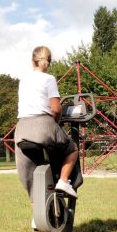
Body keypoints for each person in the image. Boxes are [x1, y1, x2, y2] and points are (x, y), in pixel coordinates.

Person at [14, 46, 79, 207]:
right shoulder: (49, 79)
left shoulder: (24, 81)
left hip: (21, 129)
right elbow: (56, 109)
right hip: (43, 125)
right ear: (49, 62)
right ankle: (63, 181)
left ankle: (37, 215)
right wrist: (55, 123)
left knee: (29, 171)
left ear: (32, 61)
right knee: (72, 149)